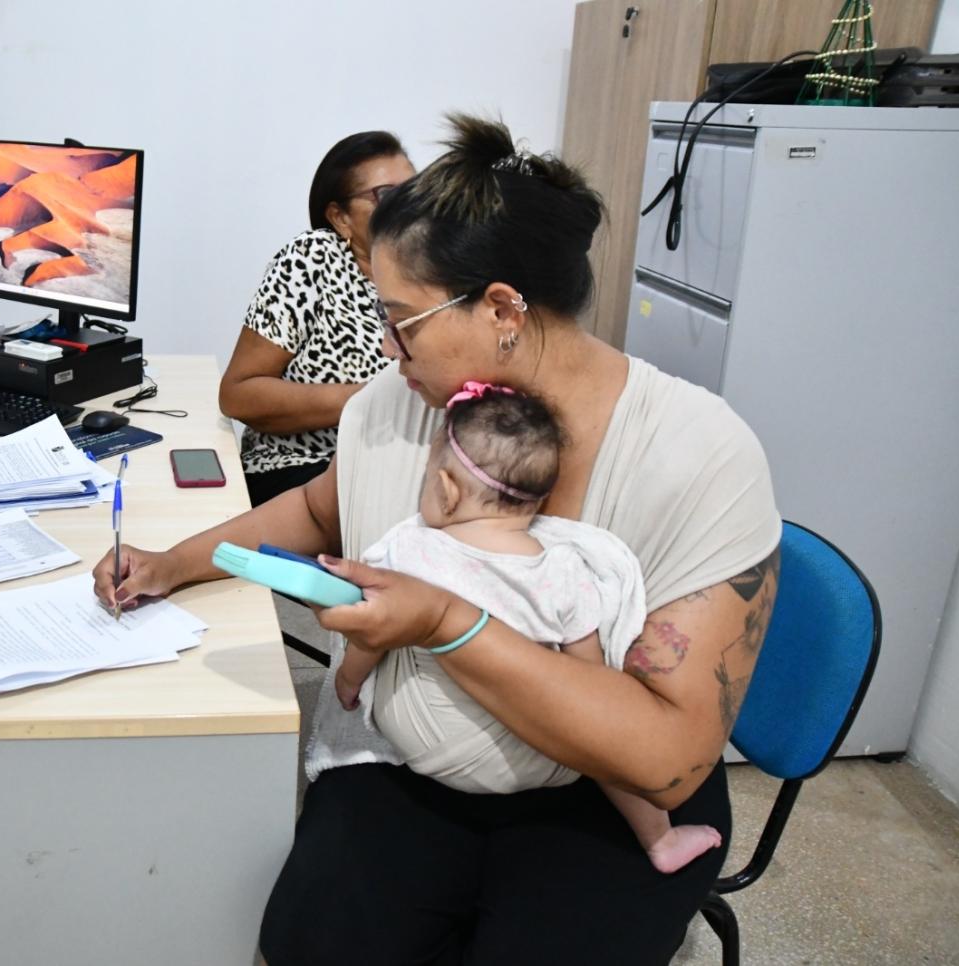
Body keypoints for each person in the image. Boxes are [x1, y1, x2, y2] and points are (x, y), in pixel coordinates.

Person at [95, 113, 780, 964]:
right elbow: (316, 512)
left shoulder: (699, 456)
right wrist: (173, 563)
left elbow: (667, 760)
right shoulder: (401, 404)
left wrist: (447, 624)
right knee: (314, 942)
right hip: (411, 757)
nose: (387, 349)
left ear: (500, 309)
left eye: (403, 320)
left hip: (602, 792)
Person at [334, 382, 722, 875]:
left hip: (433, 757)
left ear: (446, 489)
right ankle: (660, 839)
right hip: (548, 760)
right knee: (606, 746)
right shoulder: (565, 569)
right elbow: (591, 682)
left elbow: (373, 632)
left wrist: (348, 681)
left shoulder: (413, 551)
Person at [219, 131, 415, 507]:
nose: (410, 207)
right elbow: (238, 394)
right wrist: (369, 401)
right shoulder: (312, 260)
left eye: (416, 191)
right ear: (340, 217)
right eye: (388, 195)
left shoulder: (433, 273)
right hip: (301, 467)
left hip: (395, 471)